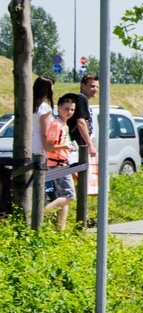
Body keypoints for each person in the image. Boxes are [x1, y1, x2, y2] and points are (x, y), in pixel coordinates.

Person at [43, 94, 78, 229]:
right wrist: (64, 146)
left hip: (63, 163)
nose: (69, 112)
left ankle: (60, 229)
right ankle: (40, 214)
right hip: (56, 164)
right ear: (59, 108)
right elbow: (48, 146)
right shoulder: (56, 125)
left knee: (63, 198)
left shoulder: (64, 125)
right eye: (66, 109)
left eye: (72, 110)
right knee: (69, 195)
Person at [71, 74, 97, 159]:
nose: (95, 89)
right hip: (78, 144)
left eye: (97, 87)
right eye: (92, 86)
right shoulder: (81, 99)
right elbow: (81, 122)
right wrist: (90, 144)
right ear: (83, 86)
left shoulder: (83, 100)